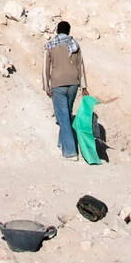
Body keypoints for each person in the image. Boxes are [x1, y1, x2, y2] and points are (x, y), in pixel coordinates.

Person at [43, 20, 88, 160]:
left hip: (58, 83)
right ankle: (62, 142)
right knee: (66, 114)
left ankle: (70, 151)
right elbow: (81, 66)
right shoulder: (75, 44)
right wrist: (84, 86)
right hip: (73, 83)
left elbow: (45, 68)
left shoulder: (50, 45)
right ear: (69, 31)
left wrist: (46, 85)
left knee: (63, 117)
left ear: (57, 30)